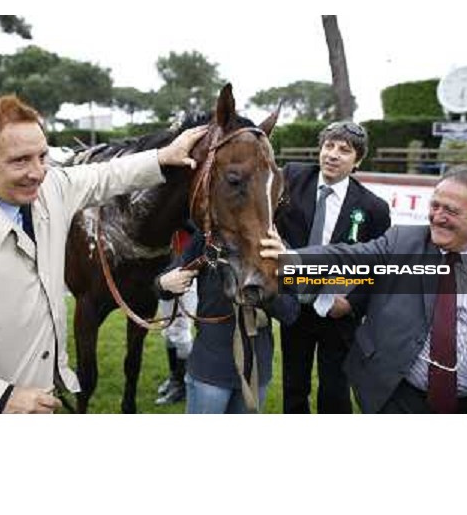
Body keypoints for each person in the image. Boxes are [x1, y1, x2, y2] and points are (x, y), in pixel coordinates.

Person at [0, 95, 207, 414]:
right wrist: (0, 399)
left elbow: (104, 176)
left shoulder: (47, 187)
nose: (38, 172)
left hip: (40, 399)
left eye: (43, 156)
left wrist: (164, 156)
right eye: (20, 160)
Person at [261, 165, 467, 414]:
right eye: (434, 206)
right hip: (395, 398)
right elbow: (349, 256)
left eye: (450, 210)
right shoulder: (402, 242)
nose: (437, 217)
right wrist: (291, 258)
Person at [275, 121, 390, 414]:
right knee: (293, 384)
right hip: (294, 304)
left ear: (357, 161)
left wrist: (351, 303)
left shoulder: (373, 207)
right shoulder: (292, 177)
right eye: (329, 146)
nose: (333, 155)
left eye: (344, 150)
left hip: (337, 312)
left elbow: (378, 270)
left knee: (335, 389)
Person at [156, 225, 299, 414]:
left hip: (255, 369)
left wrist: (263, 291)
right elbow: (165, 285)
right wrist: (164, 282)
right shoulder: (207, 237)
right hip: (210, 367)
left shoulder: (274, 244)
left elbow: (290, 312)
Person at [155, 226, 197, 406]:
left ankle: (182, 384)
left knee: (180, 329)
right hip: (168, 268)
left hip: (187, 267)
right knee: (169, 327)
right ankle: (175, 377)